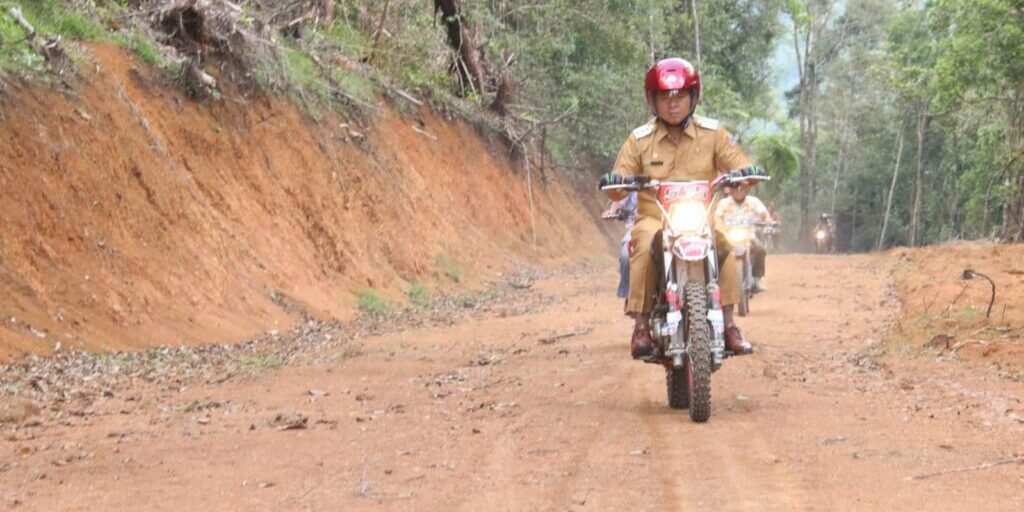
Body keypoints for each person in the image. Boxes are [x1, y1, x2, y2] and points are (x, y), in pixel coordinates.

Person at [598, 57, 761, 359]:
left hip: (702, 217)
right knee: (643, 244)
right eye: (665, 97)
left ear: (693, 97)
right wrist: (616, 183)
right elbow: (617, 184)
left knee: (723, 243)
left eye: (680, 96)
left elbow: (740, 164)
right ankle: (642, 325)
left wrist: (745, 172)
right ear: (653, 100)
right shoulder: (639, 140)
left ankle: (728, 324)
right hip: (655, 217)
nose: (673, 104)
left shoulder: (713, 134)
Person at [715, 181, 771, 291]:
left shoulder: (753, 201)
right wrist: (719, 226)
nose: (739, 190)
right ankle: (718, 280)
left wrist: (767, 219)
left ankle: (757, 279)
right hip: (728, 237)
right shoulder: (724, 203)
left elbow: (765, 213)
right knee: (717, 253)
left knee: (761, 250)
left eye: (742, 188)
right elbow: (717, 217)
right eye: (736, 188)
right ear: (731, 189)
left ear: (746, 189)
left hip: (749, 235)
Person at [602, 191, 638, 304]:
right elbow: (621, 197)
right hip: (637, 226)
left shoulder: (677, 176)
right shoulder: (634, 181)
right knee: (626, 255)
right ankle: (629, 296)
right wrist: (613, 210)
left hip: (676, 226)